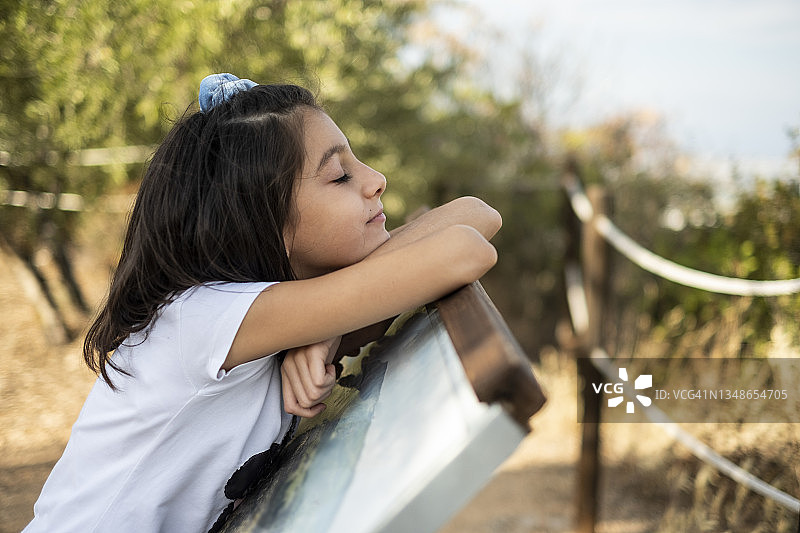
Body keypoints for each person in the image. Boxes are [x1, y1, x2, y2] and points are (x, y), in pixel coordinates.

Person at [24, 73, 501, 533]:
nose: (375, 180)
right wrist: (328, 324)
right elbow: (464, 249)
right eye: (339, 176)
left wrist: (327, 329)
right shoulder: (206, 316)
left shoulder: (274, 323)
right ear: (263, 218)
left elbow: (478, 215)